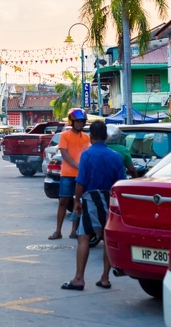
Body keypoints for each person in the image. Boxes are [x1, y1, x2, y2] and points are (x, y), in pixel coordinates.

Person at [62, 120, 125, 291]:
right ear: (105, 136)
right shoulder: (115, 156)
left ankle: (79, 279)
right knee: (107, 240)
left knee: (84, 237)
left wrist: (76, 201)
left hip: (91, 199)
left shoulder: (87, 155)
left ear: (91, 136)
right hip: (110, 200)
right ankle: (105, 278)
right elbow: (121, 182)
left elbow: (80, 182)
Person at [49, 108, 90, 240]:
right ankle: (58, 231)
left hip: (81, 175)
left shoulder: (86, 137)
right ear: (72, 122)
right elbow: (64, 154)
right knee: (63, 202)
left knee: (78, 203)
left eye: (81, 121)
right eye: (77, 121)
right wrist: (78, 166)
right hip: (67, 174)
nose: (79, 124)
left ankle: (74, 230)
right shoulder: (65, 135)